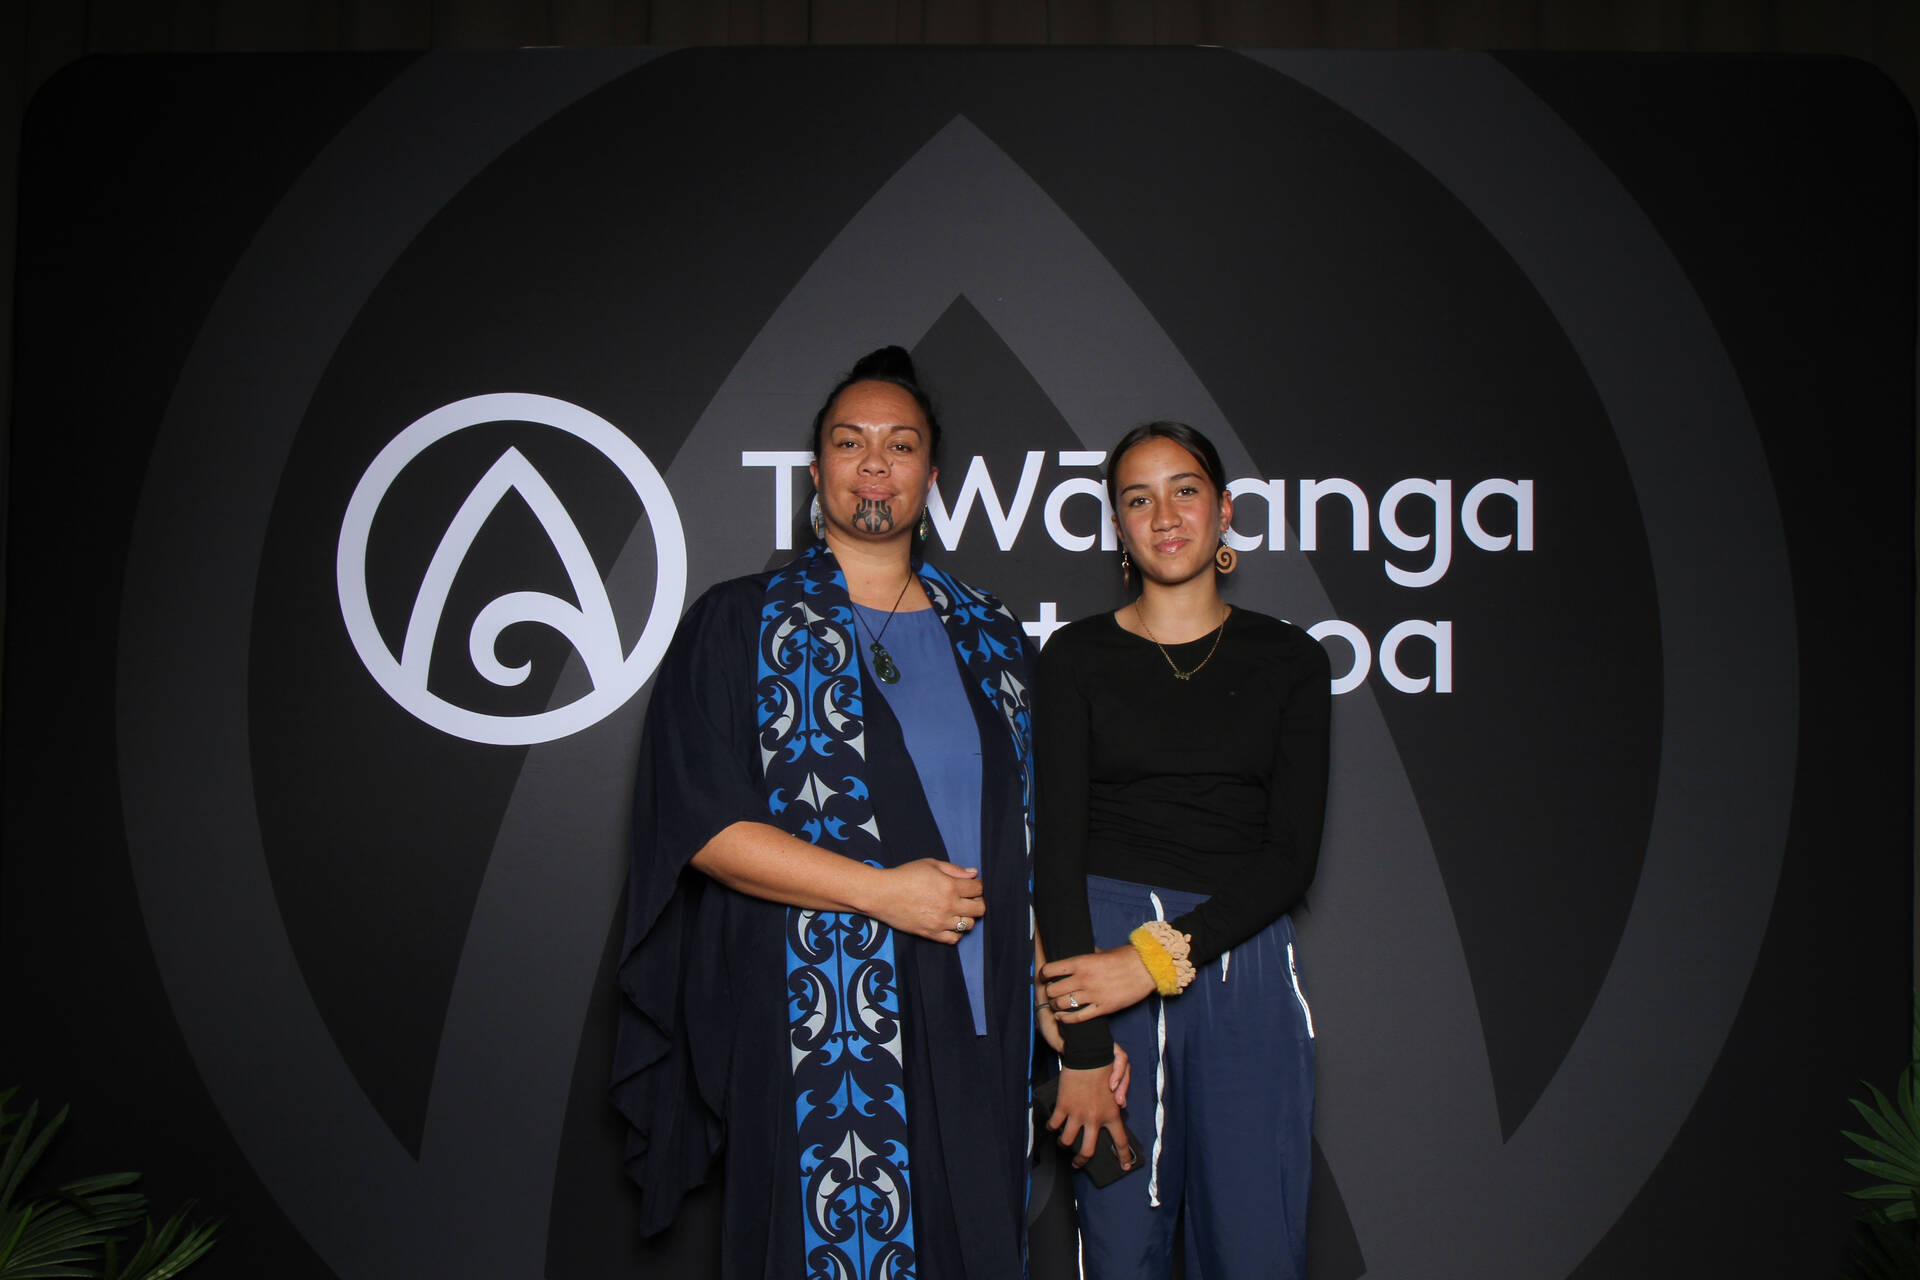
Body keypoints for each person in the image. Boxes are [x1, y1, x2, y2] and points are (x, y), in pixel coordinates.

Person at [609, 346, 1044, 1279]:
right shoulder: (741, 623)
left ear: (932, 476)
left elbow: (1024, 840)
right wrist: (880, 894)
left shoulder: (993, 634)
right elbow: (702, 828)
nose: (874, 464)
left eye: (900, 444)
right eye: (851, 443)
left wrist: (1057, 1002)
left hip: (983, 1012)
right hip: (821, 1016)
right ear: (817, 472)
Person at [1033, 421, 1331, 1280]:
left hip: (1241, 954)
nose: (1164, 515)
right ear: (1118, 527)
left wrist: (1155, 960)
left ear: (1224, 510)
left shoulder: (1291, 658)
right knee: (1120, 1251)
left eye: (1185, 490)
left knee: (1257, 1249)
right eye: (1139, 499)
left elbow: (1292, 857)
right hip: (1098, 970)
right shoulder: (1075, 655)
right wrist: (1084, 1047)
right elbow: (1054, 854)